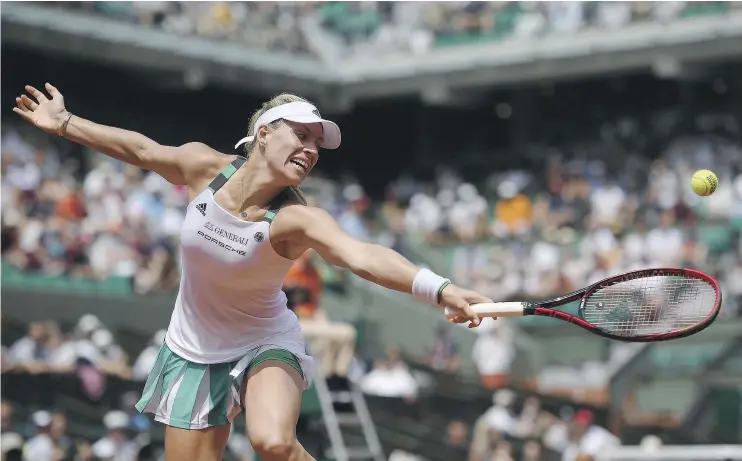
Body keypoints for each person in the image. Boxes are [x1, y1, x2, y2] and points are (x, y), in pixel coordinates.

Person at [14, 83, 492, 461]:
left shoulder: (294, 219)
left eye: (316, 144)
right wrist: (65, 123)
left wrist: (440, 287)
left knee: (273, 443)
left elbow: (361, 255)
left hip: (265, 342)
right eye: (301, 136)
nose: (311, 150)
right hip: (192, 349)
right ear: (264, 133)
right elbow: (139, 149)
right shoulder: (204, 168)